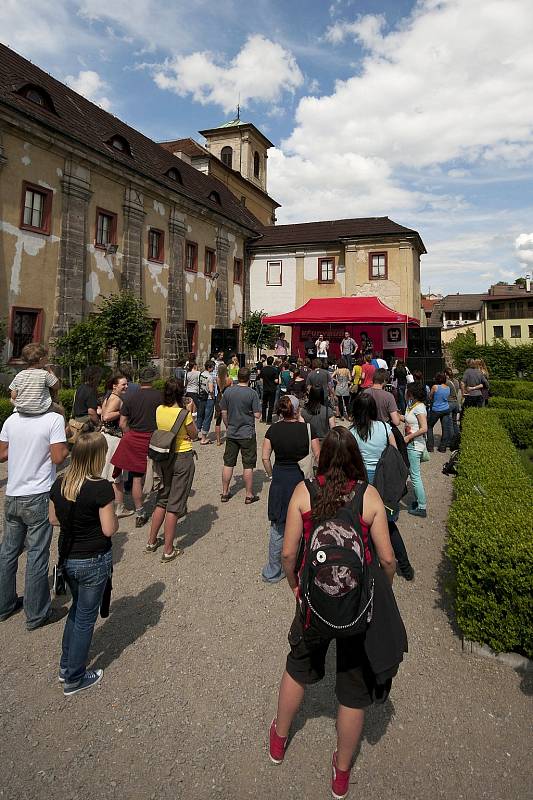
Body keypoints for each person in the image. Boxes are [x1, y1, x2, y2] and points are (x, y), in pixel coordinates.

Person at [269, 427, 396, 798]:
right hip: (356, 605)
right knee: (353, 688)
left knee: (298, 666)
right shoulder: (367, 495)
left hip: (314, 600)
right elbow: (387, 558)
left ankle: (279, 740)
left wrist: (295, 586)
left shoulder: (305, 492)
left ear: (321, 458)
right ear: (356, 458)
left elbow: (289, 553)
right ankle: (341, 772)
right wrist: (379, 589)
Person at [49, 433, 118, 695]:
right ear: (97, 457)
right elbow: (109, 529)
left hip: (68, 556)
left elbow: (53, 520)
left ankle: (66, 666)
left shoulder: (60, 483)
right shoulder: (99, 487)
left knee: (77, 612)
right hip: (93, 558)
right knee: (85, 619)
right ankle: (75, 678)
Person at [0, 406, 68, 629]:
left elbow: (2, 454)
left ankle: (5, 605)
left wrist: (23, 448)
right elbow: (58, 457)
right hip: (38, 494)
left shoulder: (11, 420)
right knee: (37, 554)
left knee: (8, 552)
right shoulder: (53, 419)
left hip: (13, 493)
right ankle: (37, 613)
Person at [350, 393, 414, 580]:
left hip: (361, 479)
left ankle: (365, 564)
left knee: (360, 522)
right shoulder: (385, 428)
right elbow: (393, 452)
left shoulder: (353, 432)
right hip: (382, 479)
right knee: (387, 523)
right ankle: (405, 566)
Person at [261, 396, 319, 584]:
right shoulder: (307, 429)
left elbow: (265, 457)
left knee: (278, 527)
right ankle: (305, 566)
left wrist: (271, 474)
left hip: (280, 480)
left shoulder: (273, 429)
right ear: (296, 410)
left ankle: (273, 570)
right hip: (301, 479)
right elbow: (317, 455)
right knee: (307, 525)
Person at [145, 379, 197, 561]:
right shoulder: (184, 413)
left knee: (163, 498)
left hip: (163, 456)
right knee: (174, 503)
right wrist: (189, 411)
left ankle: (151, 541)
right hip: (182, 456)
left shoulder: (159, 409)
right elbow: (194, 434)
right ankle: (168, 549)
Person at [111, 365, 162, 527]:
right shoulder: (160, 397)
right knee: (163, 473)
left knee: (136, 478)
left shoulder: (130, 397)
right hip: (155, 438)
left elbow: (122, 423)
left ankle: (140, 512)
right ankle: (165, 505)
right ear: (153, 379)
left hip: (135, 438)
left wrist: (129, 436)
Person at [220, 367, 261, 504]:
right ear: (249, 378)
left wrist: (227, 425)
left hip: (232, 431)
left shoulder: (228, 391)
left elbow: (224, 411)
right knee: (248, 465)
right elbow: (257, 415)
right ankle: (249, 495)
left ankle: (225, 492)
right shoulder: (252, 393)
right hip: (247, 433)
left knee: (228, 463)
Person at [100, 372, 133, 518]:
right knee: (116, 474)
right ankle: (119, 507)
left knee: (106, 472)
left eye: (127, 384)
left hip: (106, 436)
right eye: (123, 384)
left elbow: (101, 414)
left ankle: (106, 503)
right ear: (115, 386)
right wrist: (122, 411)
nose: (126, 386)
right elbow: (106, 416)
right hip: (113, 438)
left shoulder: (108, 396)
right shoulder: (117, 399)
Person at [9, 343, 60, 415]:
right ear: (41, 360)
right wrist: (49, 370)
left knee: (11, 400)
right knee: (61, 410)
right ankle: (66, 426)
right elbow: (56, 386)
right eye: (46, 358)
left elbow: (13, 395)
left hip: (22, 409)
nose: (48, 359)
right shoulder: (44, 374)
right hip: (40, 409)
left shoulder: (19, 375)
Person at [403, 382, 428, 518]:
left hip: (414, 445)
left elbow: (424, 428)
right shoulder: (411, 405)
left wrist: (409, 437)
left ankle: (422, 506)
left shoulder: (419, 408)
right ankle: (419, 502)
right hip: (412, 444)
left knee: (415, 476)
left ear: (411, 393)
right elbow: (408, 420)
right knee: (414, 474)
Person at [427, 372, 452, 453]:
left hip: (436, 409)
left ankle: (430, 447)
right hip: (446, 408)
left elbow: (430, 396)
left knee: (429, 426)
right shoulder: (448, 388)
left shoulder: (435, 387)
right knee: (445, 428)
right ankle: (443, 447)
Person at [196, 361, 215, 445]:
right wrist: (213, 396)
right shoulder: (210, 377)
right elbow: (211, 390)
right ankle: (203, 438)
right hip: (208, 398)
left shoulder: (201, 374)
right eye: (213, 367)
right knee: (207, 417)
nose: (214, 368)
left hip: (201, 397)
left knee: (200, 415)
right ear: (210, 367)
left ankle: (195, 435)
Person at [214, 363, 233, 446]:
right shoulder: (229, 379)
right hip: (227, 399)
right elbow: (231, 391)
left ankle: (218, 441)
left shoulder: (217, 379)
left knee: (218, 421)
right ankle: (230, 438)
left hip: (219, 398)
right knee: (228, 419)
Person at [261, 356, 279, 424]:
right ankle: (269, 420)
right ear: (272, 362)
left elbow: (261, 377)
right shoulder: (274, 370)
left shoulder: (263, 369)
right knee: (271, 404)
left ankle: (263, 418)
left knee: (264, 404)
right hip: (272, 388)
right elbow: (276, 381)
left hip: (265, 388)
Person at [445, 368, 461, 441]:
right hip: (456, 403)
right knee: (454, 422)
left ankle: (451, 440)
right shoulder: (457, 381)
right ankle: (457, 437)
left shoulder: (447, 383)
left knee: (449, 423)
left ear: (446, 374)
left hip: (449, 402)